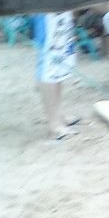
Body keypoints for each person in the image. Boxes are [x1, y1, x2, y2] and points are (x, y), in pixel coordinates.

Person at [33, 12, 79, 140]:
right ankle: (54, 124)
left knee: (59, 63)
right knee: (49, 63)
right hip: (46, 11)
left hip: (61, 10)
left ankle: (57, 115)